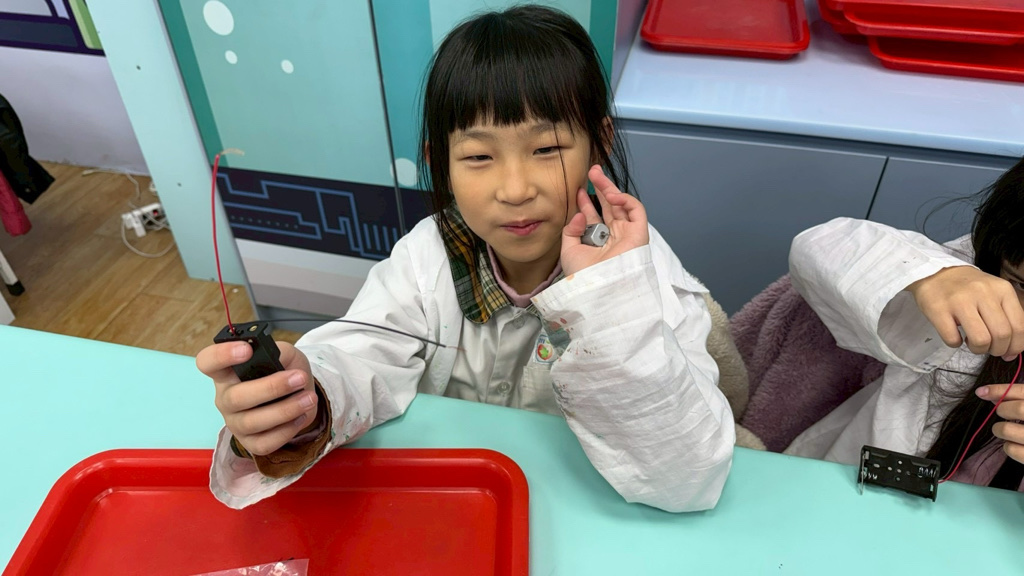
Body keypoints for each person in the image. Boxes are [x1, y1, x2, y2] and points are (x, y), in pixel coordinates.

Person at [196, 5, 735, 512]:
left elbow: (687, 478)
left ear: (598, 143)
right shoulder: (426, 257)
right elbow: (360, 356)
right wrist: (307, 400)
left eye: (547, 149)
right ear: (443, 164)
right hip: (454, 501)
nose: (515, 189)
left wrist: (611, 308)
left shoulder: (641, 275)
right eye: (478, 156)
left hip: (586, 508)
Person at [785, 156, 1024, 490]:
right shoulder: (972, 274)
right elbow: (820, 245)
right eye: (1021, 284)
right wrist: (930, 276)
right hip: (856, 494)